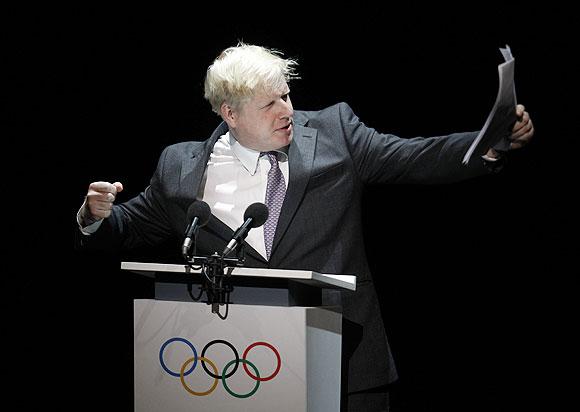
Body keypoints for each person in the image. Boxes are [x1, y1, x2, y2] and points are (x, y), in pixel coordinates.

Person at [76, 42, 534, 411]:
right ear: (229, 114)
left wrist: (486, 143)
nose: (286, 111)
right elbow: (129, 225)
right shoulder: (179, 166)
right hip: (233, 367)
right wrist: (94, 217)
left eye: (286, 95)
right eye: (268, 104)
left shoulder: (334, 132)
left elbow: (412, 155)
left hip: (342, 360)